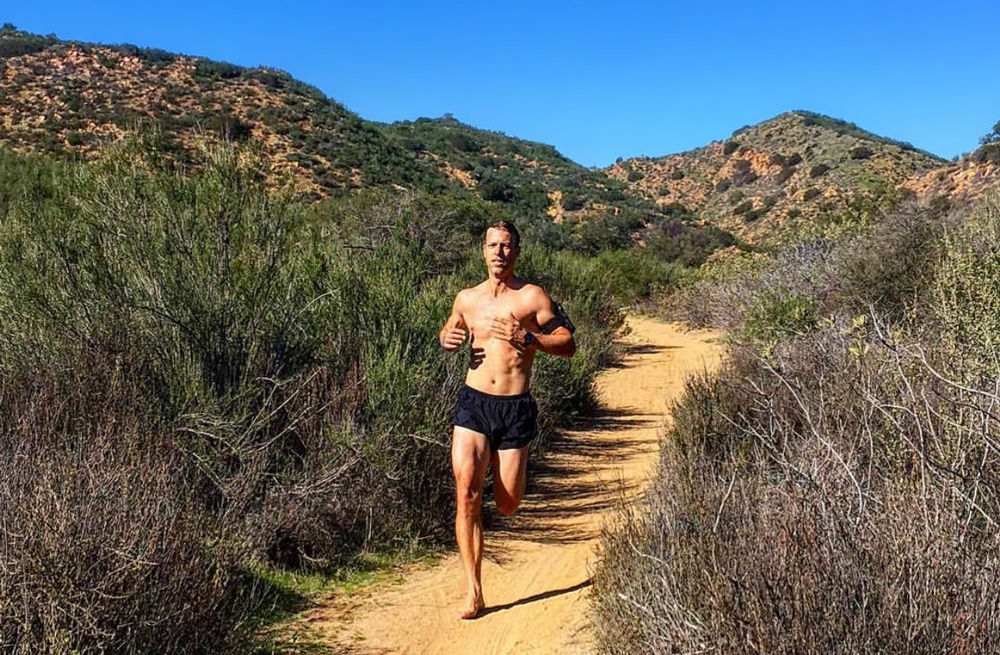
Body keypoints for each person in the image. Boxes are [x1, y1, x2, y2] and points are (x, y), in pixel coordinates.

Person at [438, 220, 576, 619]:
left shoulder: (532, 298)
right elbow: (450, 330)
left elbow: (567, 343)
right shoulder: (466, 298)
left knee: (508, 504)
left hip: (515, 408)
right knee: (466, 494)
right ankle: (474, 591)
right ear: (482, 250)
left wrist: (530, 339)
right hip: (473, 403)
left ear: (517, 251)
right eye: (493, 245)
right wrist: (445, 338)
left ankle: (514, 478)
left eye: (507, 245)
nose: (499, 252)